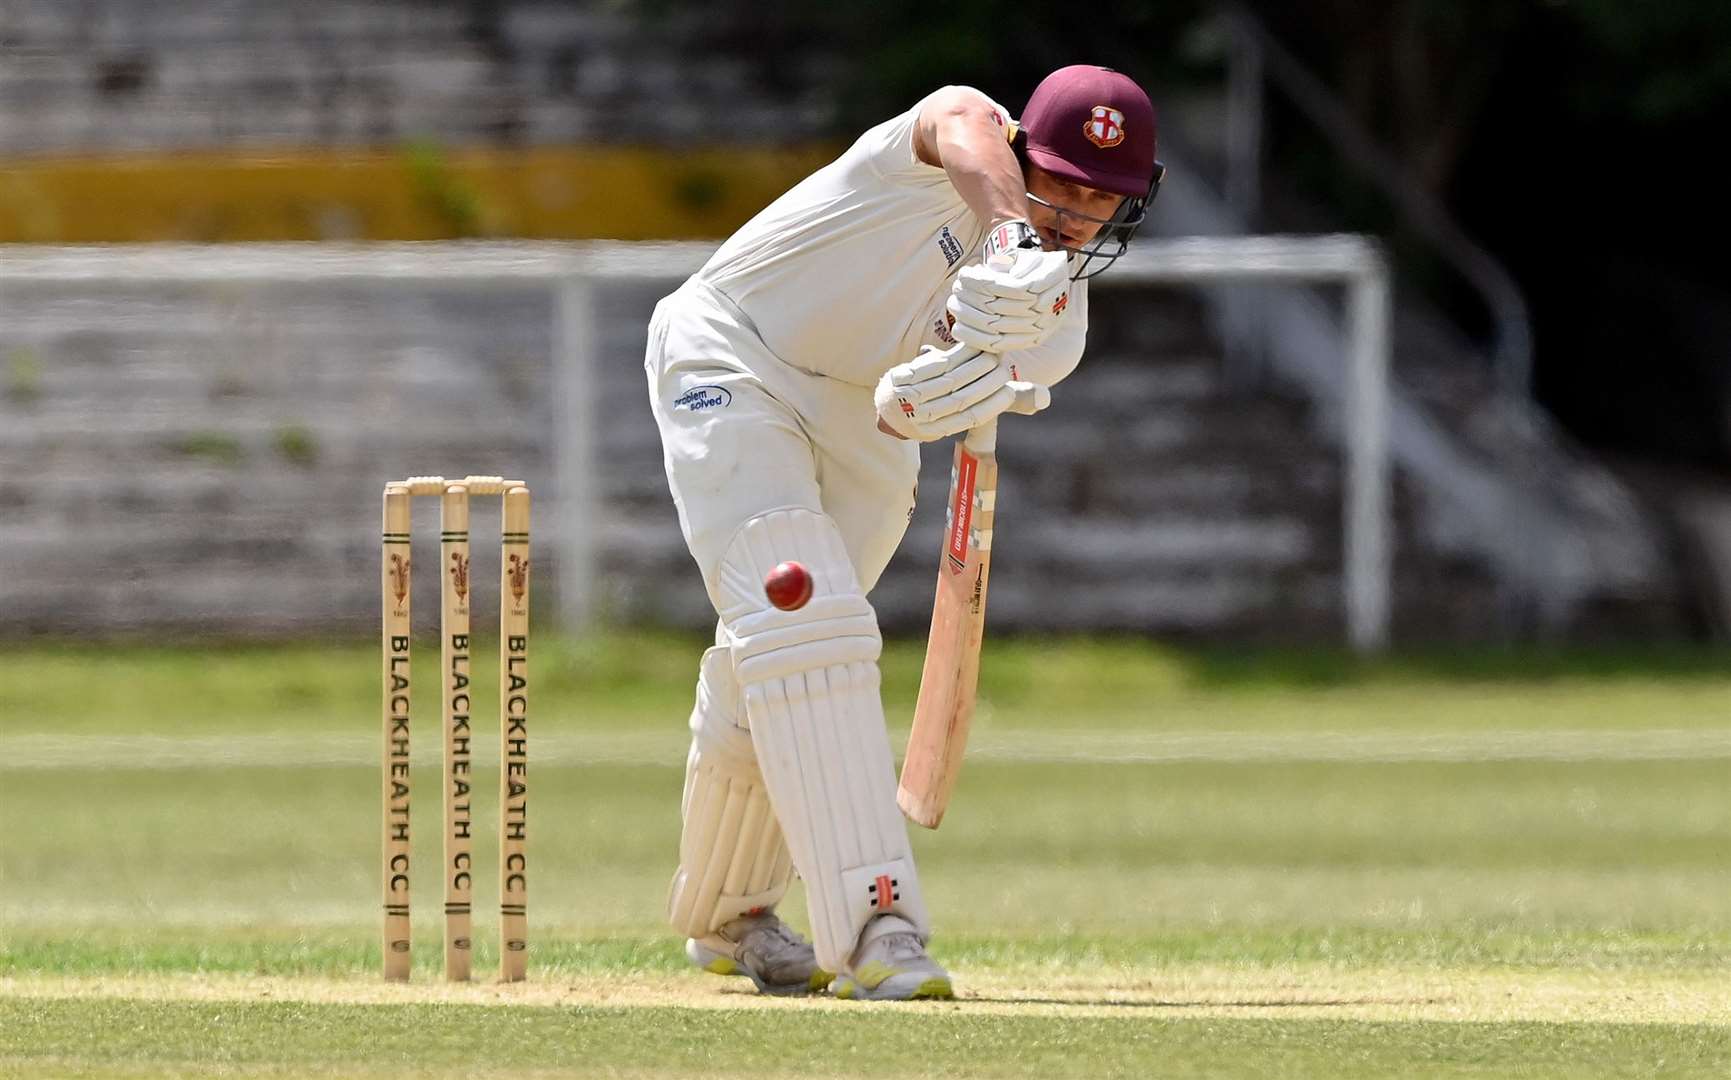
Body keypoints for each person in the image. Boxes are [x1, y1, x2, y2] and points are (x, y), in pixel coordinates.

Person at [644, 64, 1163, 1001]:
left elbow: (933, 398)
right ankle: (877, 925)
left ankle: (731, 910)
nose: (1078, 216)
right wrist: (1009, 229)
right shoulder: (954, 145)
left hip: (865, 429)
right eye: (1063, 184)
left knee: (779, 651)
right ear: (1020, 154)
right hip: (734, 349)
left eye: (1104, 200)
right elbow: (959, 123)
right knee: (799, 611)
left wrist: (938, 396)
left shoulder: (1057, 316)